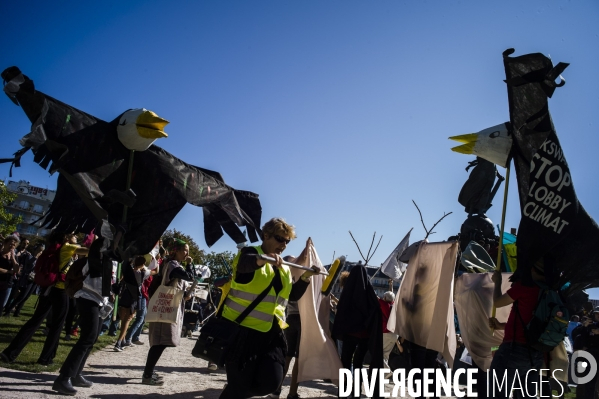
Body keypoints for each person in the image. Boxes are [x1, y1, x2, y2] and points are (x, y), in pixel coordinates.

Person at [219, 218, 318, 399]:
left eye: (287, 241)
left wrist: (305, 278)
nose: (284, 245)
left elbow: (291, 296)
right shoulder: (250, 253)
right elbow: (244, 265)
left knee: (271, 383)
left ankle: (232, 392)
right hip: (242, 332)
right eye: (280, 239)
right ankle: (234, 392)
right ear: (266, 235)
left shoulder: (284, 267)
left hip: (271, 334)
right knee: (240, 384)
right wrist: (263, 261)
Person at [0, 232, 89, 366]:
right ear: (66, 238)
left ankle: (9, 353)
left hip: (48, 289)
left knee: (35, 321)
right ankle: (46, 358)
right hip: (60, 289)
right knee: (57, 325)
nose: (76, 237)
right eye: (73, 235)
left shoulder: (54, 248)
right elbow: (90, 251)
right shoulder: (68, 247)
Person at [52, 237, 112, 395]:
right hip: (87, 299)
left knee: (92, 339)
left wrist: (114, 288)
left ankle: (77, 373)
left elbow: (105, 283)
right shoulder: (93, 260)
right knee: (86, 338)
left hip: (100, 302)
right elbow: (97, 278)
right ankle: (63, 378)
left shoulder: (109, 262)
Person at [140, 239, 198, 385]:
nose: (187, 253)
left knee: (162, 340)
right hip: (165, 307)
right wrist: (190, 264)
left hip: (169, 305)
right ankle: (147, 375)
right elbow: (191, 276)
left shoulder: (172, 265)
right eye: (184, 250)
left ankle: (149, 371)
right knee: (161, 341)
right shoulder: (172, 265)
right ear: (176, 250)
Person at [487, 267, 544, 399]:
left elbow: (498, 302)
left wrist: (498, 282)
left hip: (513, 350)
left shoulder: (525, 286)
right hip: (536, 353)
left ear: (534, 270)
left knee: (497, 393)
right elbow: (531, 324)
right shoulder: (549, 291)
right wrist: (500, 326)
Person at [124, 256, 158, 346]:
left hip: (135, 295)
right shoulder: (143, 273)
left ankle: (134, 337)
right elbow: (156, 271)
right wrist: (156, 260)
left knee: (141, 318)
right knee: (139, 318)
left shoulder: (132, 271)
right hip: (141, 295)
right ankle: (128, 338)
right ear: (143, 264)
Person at [4, 244, 44, 317]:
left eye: (41, 251)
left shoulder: (40, 259)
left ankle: (17, 311)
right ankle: (8, 310)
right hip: (27, 279)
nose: (40, 252)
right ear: (35, 250)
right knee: (22, 296)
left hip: (34, 280)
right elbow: (29, 263)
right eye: (39, 250)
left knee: (26, 297)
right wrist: (36, 257)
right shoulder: (30, 256)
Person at [0, 235, 20, 311]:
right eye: (10, 244)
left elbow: (17, 271)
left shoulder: (14, 258)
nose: (12, 246)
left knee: (2, 306)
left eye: (14, 245)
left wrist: (13, 259)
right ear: (5, 243)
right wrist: (9, 271)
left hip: (7, 285)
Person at [379, 291, 398, 369]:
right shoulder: (393, 306)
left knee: (379, 354)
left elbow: (375, 297)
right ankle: (384, 374)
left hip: (386, 333)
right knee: (386, 355)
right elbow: (391, 297)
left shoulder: (384, 305)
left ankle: (387, 370)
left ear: (385, 298)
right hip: (395, 334)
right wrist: (391, 286)